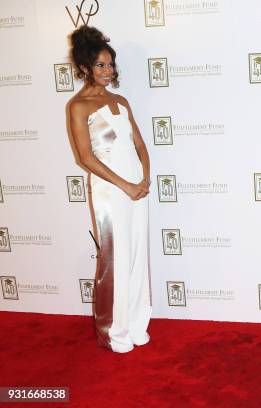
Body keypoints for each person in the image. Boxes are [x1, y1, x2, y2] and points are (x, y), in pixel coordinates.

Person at [68, 26, 152, 353]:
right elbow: (85, 157)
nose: (108, 71)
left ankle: (136, 321)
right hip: (110, 188)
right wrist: (126, 185)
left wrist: (144, 179)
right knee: (114, 258)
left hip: (136, 187)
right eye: (100, 66)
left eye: (111, 65)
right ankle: (114, 330)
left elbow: (140, 144)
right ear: (85, 68)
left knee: (137, 253)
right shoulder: (78, 107)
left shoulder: (121, 101)